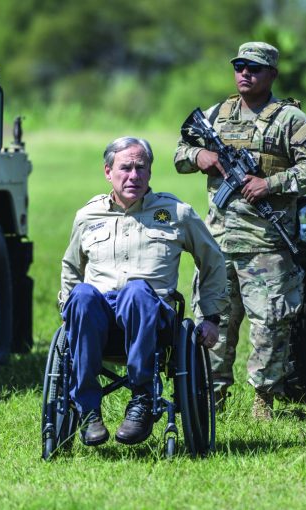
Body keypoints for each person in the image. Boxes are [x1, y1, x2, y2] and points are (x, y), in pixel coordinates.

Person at [174, 42, 306, 419]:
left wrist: (269, 185)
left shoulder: (290, 119)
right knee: (214, 323)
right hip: (217, 243)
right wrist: (200, 156)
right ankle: (213, 399)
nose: (245, 73)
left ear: (272, 75)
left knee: (270, 325)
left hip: (267, 244)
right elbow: (180, 154)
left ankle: (264, 399)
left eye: (255, 68)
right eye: (240, 66)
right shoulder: (216, 115)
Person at [59, 136, 227, 446]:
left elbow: (213, 261)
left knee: (136, 291)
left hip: (152, 316)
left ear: (150, 172)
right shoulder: (88, 216)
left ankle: (142, 400)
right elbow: (71, 267)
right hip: (98, 320)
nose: (133, 176)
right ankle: (88, 411)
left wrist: (211, 317)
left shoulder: (177, 213)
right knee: (81, 296)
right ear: (108, 171)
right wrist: (66, 308)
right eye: (125, 168)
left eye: (141, 168)